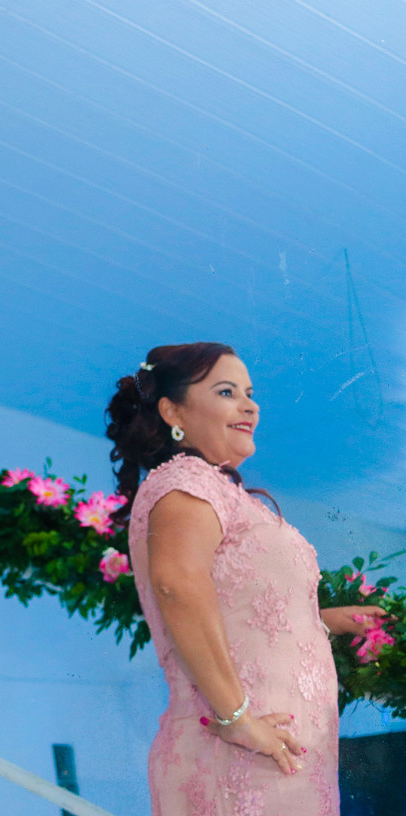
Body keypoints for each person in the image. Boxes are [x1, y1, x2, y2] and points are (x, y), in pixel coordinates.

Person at [105, 342, 385, 814]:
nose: (249, 405)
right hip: (240, 756)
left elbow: (239, 606)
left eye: (250, 393)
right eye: (227, 391)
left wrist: (321, 620)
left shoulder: (212, 489)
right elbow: (177, 585)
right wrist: (237, 718)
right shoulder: (184, 484)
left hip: (273, 755)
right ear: (172, 409)